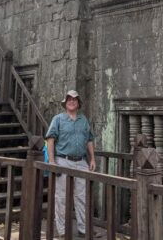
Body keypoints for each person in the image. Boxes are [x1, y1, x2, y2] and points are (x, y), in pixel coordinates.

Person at [45, 90, 96, 238]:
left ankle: (84, 229)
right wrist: (52, 161)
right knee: (61, 197)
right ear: (65, 103)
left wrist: (92, 159)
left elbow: (90, 139)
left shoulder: (83, 120)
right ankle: (62, 230)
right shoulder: (58, 119)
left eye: (74, 99)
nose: (72, 101)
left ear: (78, 103)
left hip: (81, 161)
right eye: (69, 99)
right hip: (63, 160)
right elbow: (50, 139)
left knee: (82, 197)